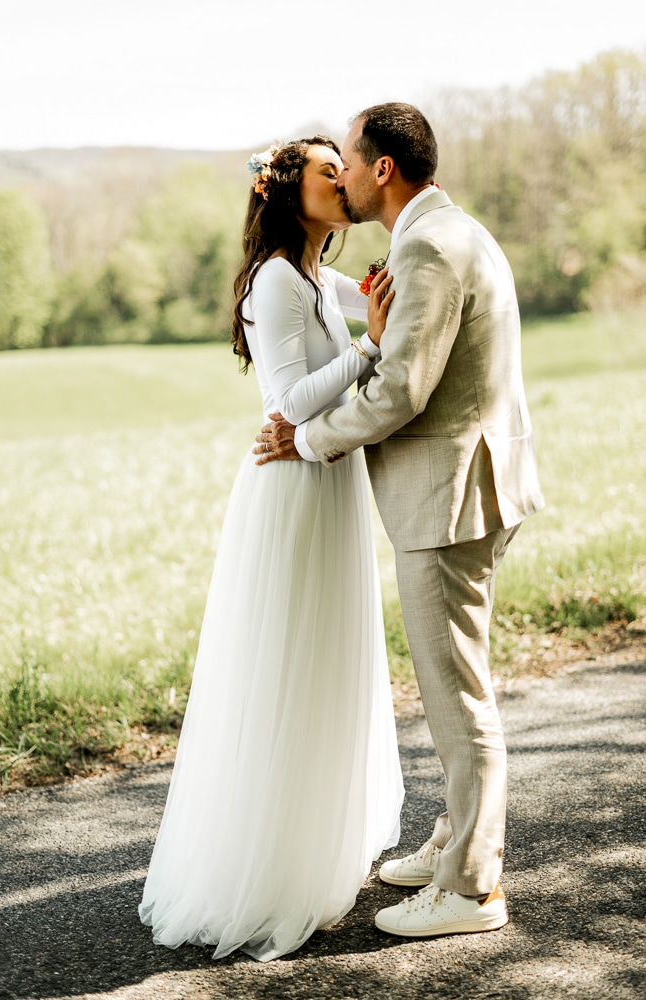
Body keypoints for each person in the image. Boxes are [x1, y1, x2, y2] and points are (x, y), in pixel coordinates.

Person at [255, 103, 545, 939]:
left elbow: (400, 389)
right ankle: (455, 841)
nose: (340, 172)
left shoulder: (425, 246)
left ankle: (470, 889)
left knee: (458, 699)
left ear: (381, 168)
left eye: (346, 158)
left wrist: (308, 440)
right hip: (470, 486)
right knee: (457, 683)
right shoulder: (448, 232)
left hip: (449, 497)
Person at [139, 135, 404, 962]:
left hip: (329, 487)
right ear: (289, 193)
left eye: (346, 169)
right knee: (287, 667)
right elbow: (288, 400)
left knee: (326, 666)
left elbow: (382, 303)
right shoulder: (274, 280)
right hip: (291, 491)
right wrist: (369, 348)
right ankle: (268, 865)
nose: (345, 180)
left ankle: (314, 840)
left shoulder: (319, 277)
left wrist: (390, 297)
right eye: (331, 172)